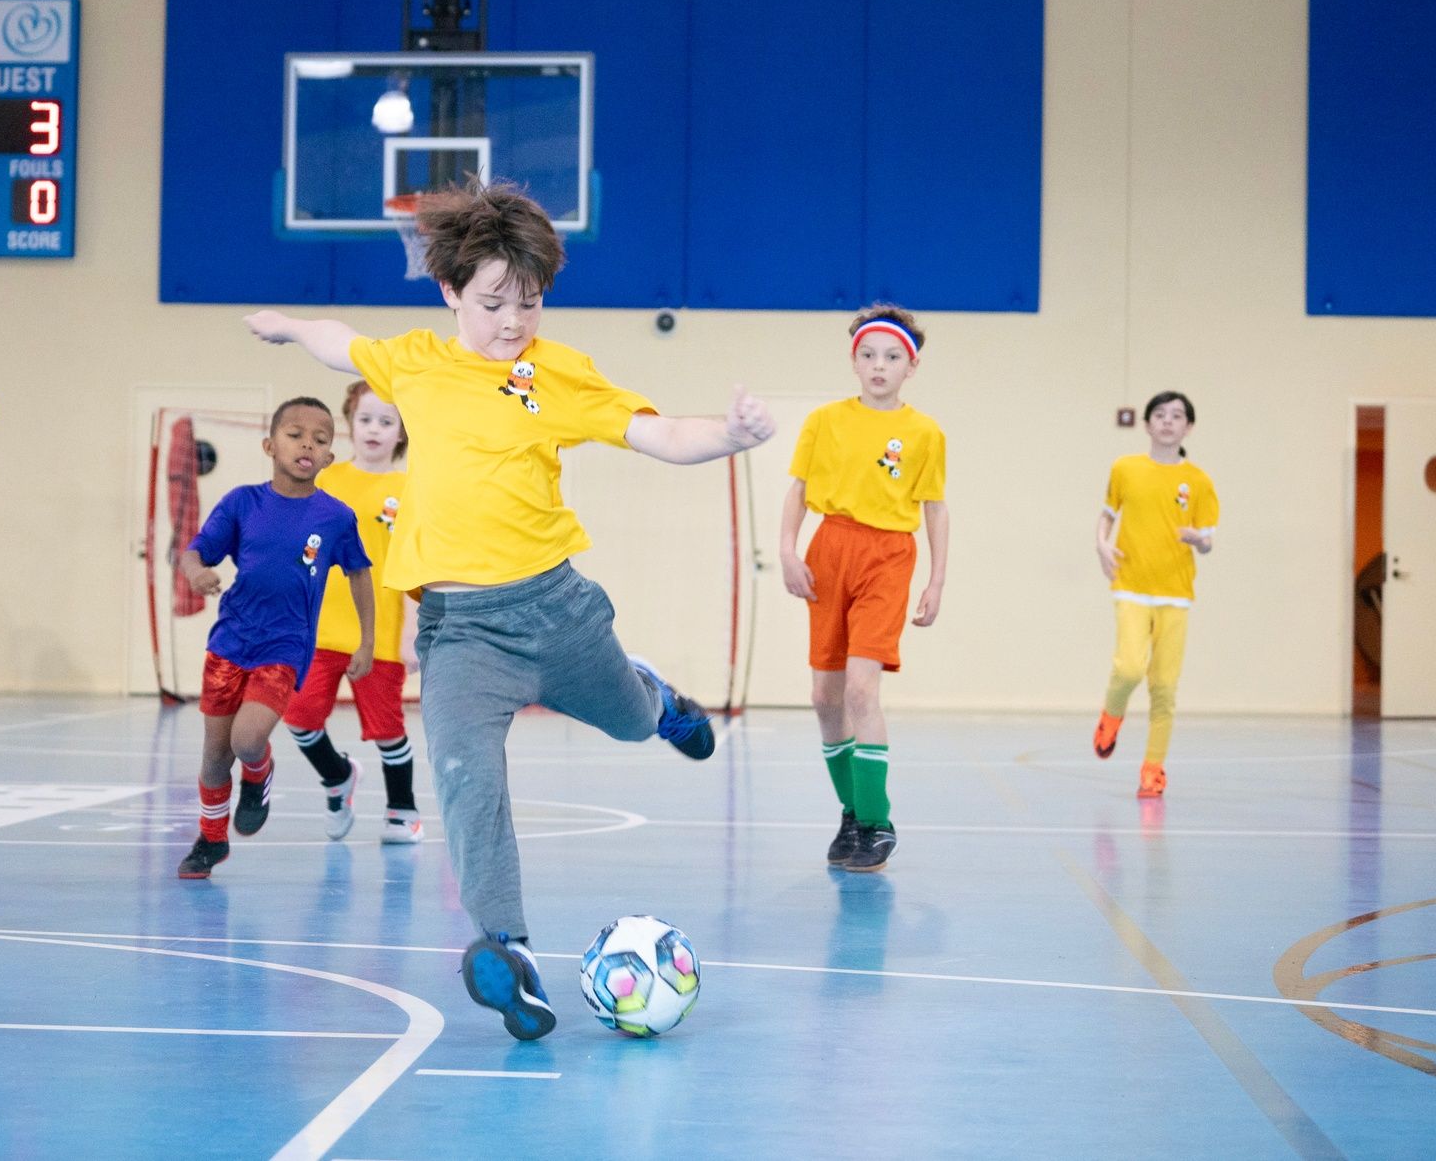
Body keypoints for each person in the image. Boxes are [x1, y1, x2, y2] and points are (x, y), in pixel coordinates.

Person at [243, 179, 775, 1040]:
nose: (512, 321)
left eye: (529, 302)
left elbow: (660, 434)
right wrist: (293, 327)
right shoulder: (417, 360)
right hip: (459, 634)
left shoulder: (556, 373)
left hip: (557, 610)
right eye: (493, 302)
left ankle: (660, 701)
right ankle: (511, 953)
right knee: (467, 783)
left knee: (633, 721)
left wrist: (732, 433)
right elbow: (344, 345)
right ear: (452, 290)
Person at [174, 396, 373, 881]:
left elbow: (360, 575)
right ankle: (211, 840)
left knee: (247, 739)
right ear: (270, 445)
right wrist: (197, 573)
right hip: (230, 644)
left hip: (285, 647)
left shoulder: (336, 517)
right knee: (215, 756)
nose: (308, 443)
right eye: (295, 434)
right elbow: (194, 552)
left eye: (321, 439)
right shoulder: (243, 502)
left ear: (328, 457)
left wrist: (366, 641)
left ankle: (259, 775)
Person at [779, 304, 948, 874]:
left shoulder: (924, 433)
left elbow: (935, 508)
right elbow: (798, 491)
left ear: (911, 366)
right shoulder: (825, 420)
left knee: (859, 692)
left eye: (893, 356)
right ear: (855, 361)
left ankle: (877, 821)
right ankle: (852, 813)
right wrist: (787, 550)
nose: (880, 365)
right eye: (869, 355)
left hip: (888, 556)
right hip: (829, 549)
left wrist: (937, 579)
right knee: (824, 698)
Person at [280, 380, 424, 845]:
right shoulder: (325, 480)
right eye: (366, 419)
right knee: (299, 716)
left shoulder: (411, 490)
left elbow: (416, 565)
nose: (375, 429)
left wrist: (413, 634)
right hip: (317, 630)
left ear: (402, 431)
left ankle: (402, 811)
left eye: (387, 421)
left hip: (378, 632)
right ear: (350, 424)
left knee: (387, 730)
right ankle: (337, 777)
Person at [1091, 390, 1220, 798]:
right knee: (1129, 668)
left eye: (1177, 415)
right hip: (1131, 586)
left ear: (1189, 427)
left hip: (1176, 595)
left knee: (1164, 687)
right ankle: (1111, 716)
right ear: (1147, 424)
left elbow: (1209, 540)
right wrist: (1101, 544)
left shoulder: (1198, 481)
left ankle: (1153, 770)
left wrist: (1199, 539)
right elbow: (1108, 514)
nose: (1168, 421)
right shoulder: (1125, 468)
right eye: (1160, 415)